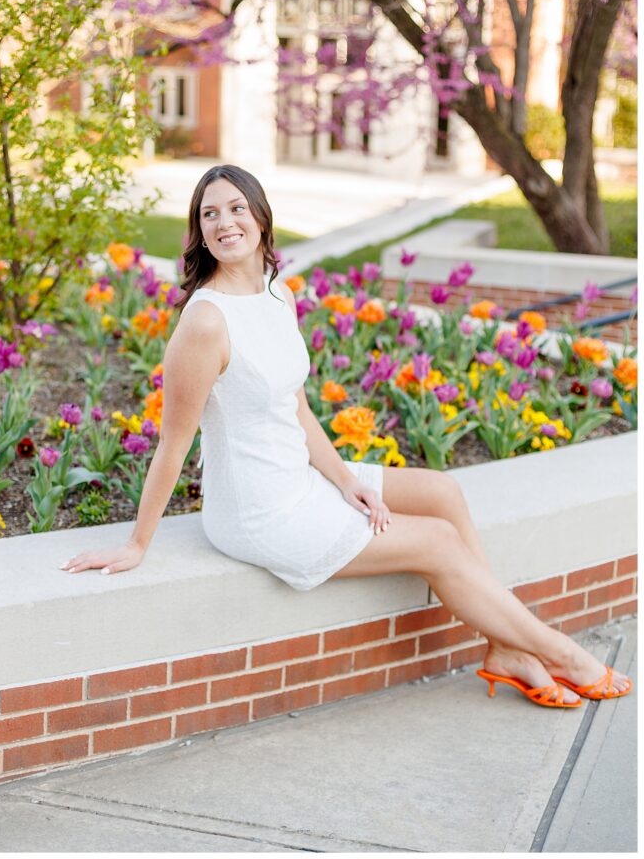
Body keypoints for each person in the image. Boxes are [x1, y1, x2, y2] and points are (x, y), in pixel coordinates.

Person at [61, 164, 632, 708]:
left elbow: (297, 407)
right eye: (209, 214)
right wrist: (137, 545)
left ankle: (508, 646)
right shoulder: (206, 321)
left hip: (300, 477)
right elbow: (173, 442)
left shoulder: (275, 293)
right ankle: (559, 653)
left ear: (261, 217)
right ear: (199, 230)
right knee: (436, 540)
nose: (224, 222)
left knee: (443, 494)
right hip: (260, 512)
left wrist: (343, 480)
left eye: (236, 207)